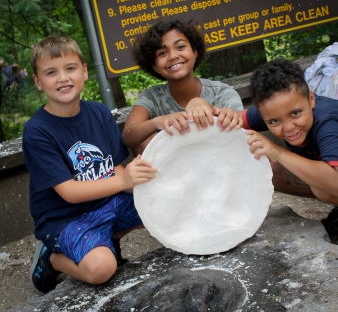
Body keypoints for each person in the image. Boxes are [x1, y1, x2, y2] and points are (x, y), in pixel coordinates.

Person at [22, 36, 157, 294]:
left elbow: (114, 169)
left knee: (165, 203)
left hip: (108, 202)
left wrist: (140, 179)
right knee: (102, 269)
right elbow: (69, 192)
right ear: (38, 82)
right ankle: (51, 259)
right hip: (65, 218)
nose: (63, 78)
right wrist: (122, 181)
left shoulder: (99, 113)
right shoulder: (37, 131)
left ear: (84, 71)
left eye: (70, 68)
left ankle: (107, 237)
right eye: (51, 72)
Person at [241, 58, 338, 235]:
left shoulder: (327, 123)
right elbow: (232, 120)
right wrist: (199, 105)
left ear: (311, 98)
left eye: (295, 113)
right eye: (274, 121)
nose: (289, 127)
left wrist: (279, 153)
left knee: (322, 187)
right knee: (267, 169)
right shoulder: (274, 107)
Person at [122, 20, 243, 155]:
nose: (173, 56)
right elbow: (128, 136)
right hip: (173, 171)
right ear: (154, 66)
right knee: (142, 142)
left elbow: (240, 133)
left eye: (180, 47)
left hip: (220, 163)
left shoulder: (222, 93)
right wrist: (158, 122)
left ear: (194, 52)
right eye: (162, 53)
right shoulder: (152, 97)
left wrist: (203, 106)